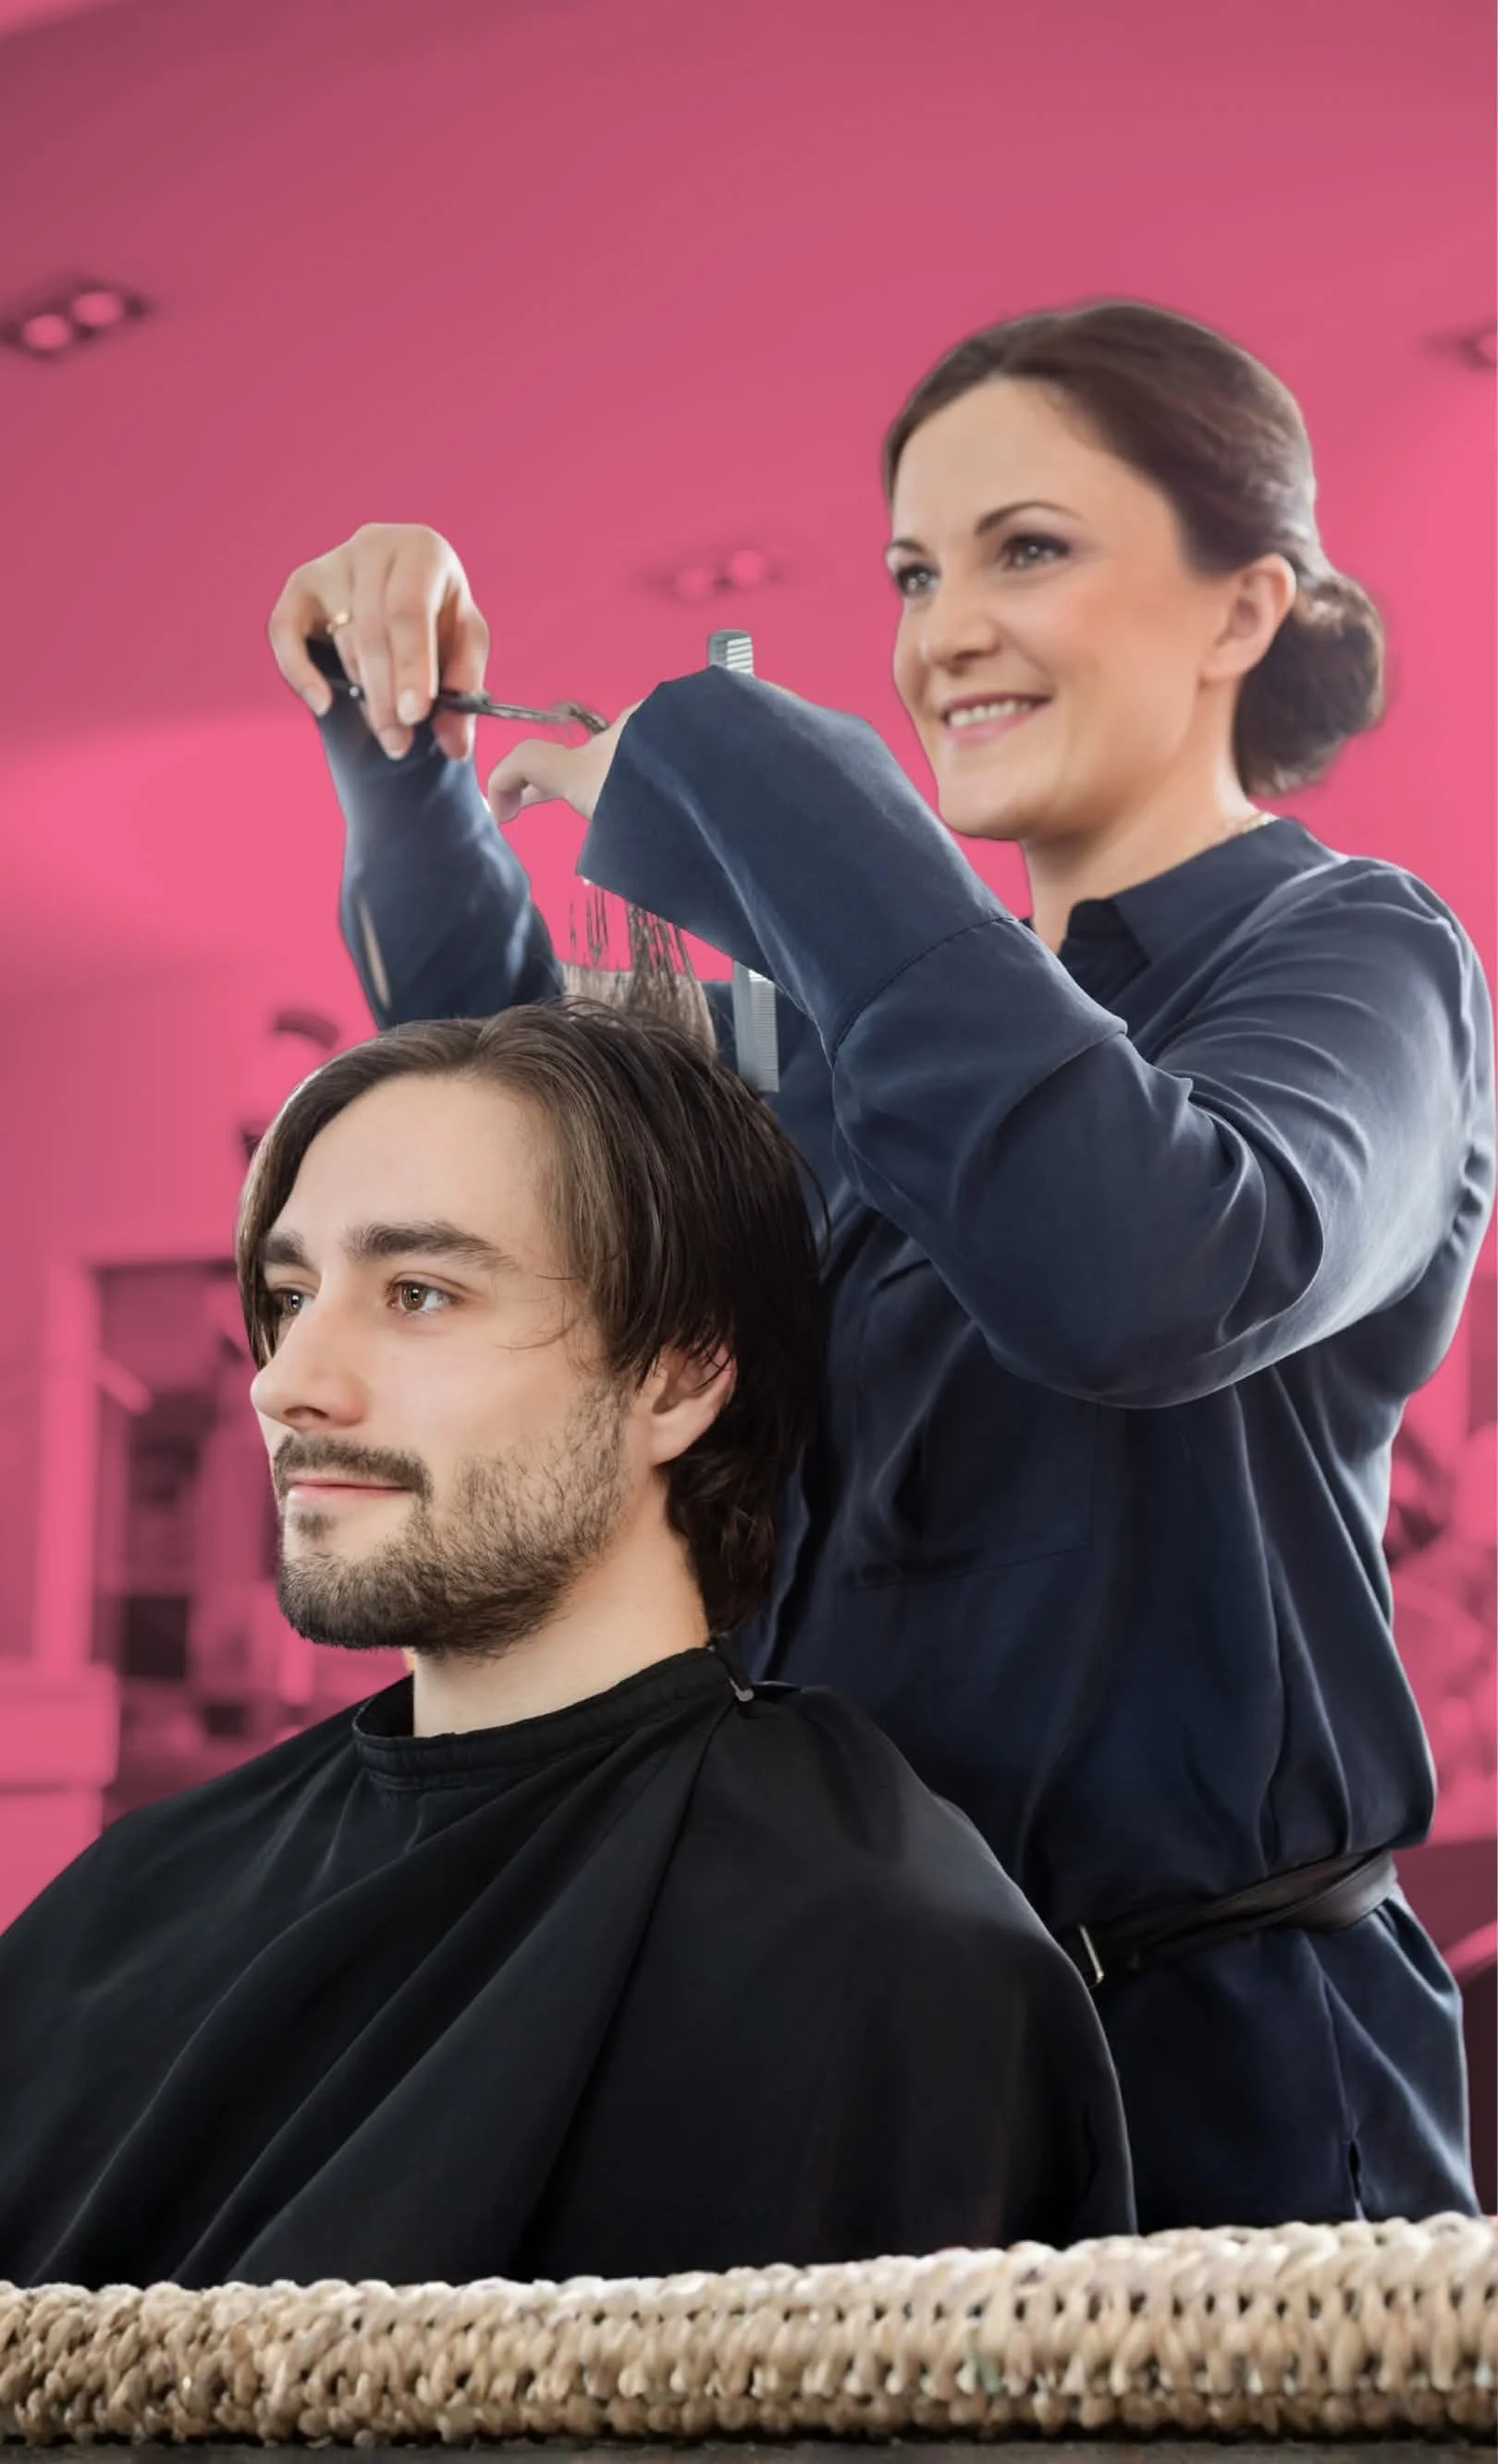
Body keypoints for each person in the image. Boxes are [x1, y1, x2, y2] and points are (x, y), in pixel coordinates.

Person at [268, 300, 1494, 2231]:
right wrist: (400, 756)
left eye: (1031, 549)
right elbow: (532, 1179)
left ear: (1244, 609)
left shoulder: (1359, 966)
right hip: (853, 2090)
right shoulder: (863, 1061)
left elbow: (1131, 1265)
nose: (943, 633)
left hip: (1222, 2109)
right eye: (918, 571)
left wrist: (747, 776)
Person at [0, 1001, 1134, 2288]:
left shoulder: (893, 1968)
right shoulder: (131, 1904)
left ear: (676, 1378)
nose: (284, 1381)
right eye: (290, 1295)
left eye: (420, 1293)